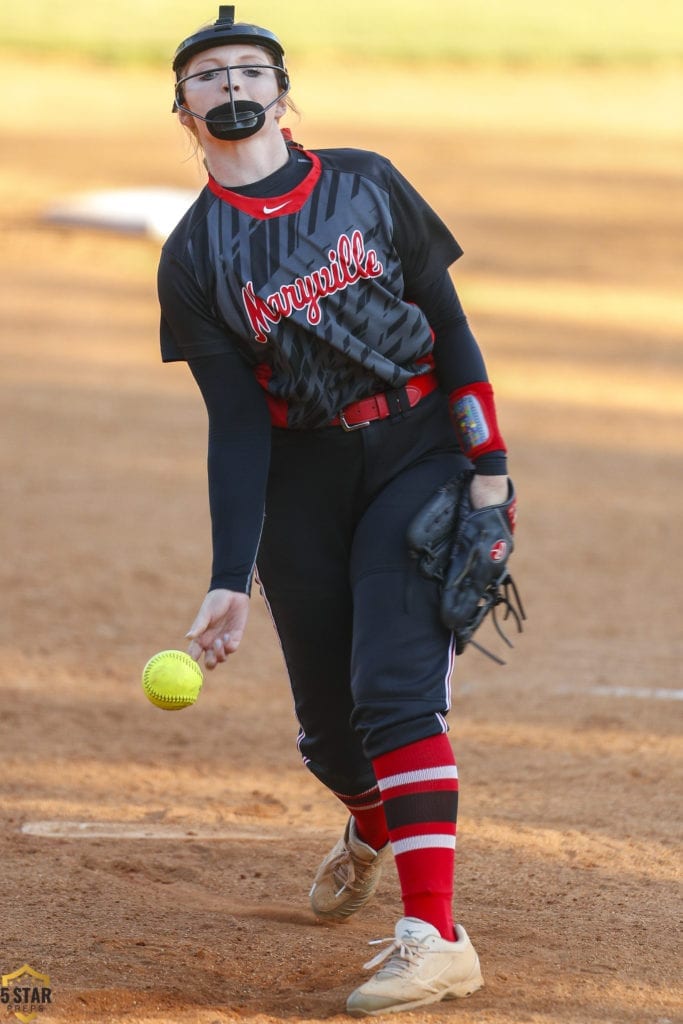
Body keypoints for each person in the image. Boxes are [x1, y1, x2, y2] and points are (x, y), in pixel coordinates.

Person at [158, 5, 514, 1015]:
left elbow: (448, 327)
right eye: (206, 76)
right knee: (329, 736)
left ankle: (433, 937)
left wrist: (487, 466)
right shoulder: (192, 258)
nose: (230, 86)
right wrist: (229, 579)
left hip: (418, 450)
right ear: (182, 109)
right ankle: (368, 819)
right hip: (302, 479)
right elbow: (234, 424)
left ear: (280, 90)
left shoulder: (364, 181)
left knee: (395, 688)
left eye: (249, 69)